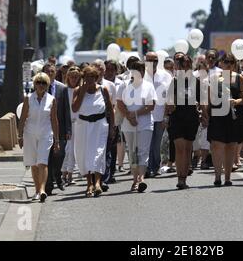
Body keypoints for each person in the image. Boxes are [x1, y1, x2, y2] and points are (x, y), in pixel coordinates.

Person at [207, 53, 243, 186]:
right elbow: (208, 99)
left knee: (231, 146)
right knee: (216, 145)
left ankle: (228, 178)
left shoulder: (239, 78)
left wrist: (236, 101)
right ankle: (218, 176)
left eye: (231, 62)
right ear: (221, 64)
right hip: (218, 116)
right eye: (226, 62)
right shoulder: (214, 79)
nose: (229, 64)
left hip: (234, 116)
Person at [73, 66, 114, 197]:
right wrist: (82, 92)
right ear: (83, 78)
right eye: (87, 77)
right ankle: (89, 183)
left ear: (97, 78)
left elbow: (110, 110)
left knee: (99, 153)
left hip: (100, 125)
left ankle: (97, 183)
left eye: (92, 77)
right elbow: (74, 108)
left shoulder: (103, 90)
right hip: (83, 125)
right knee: (84, 155)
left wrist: (112, 127)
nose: (90, 79)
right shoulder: (78, 90)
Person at [18, 72, 60, 202]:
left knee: (42, 162)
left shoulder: (51, 99)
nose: (41, 85)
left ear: (47, 85)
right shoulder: (28, 98)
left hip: (46, 134)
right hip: (30, 133)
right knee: (34, 164)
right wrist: (20, 136)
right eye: (38, 82)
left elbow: (54, 120)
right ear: (34, 84)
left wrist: (57, 140)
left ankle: (42, 190)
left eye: (44, 83)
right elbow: (23, 117)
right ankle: (37, 190)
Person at [117, 61, 157, 192]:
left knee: (143, 152)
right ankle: (134, 179)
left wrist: (135, 114)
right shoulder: (124, 85)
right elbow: (120, 103)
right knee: (133, 152)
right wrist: (129, 117)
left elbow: (151, 105)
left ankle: (141, 179)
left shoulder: (148, 86)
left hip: (145, 123)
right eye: (137, 70)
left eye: (142, 70)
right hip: (128, 125)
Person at [165, 54, 202, 190]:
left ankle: (184, 178)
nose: (185, 66)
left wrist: (204, 114)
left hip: (191, 118)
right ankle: (180, 178)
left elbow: (202, 101)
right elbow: (168, 102)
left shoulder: (196, 81)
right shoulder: (174, 81)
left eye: (187, 64)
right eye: (182, 64)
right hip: (177, 118)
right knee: (180, 149)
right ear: (178, 66)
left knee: (187, 150)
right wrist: (169, 108)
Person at [42, 63, 72, 196]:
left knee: (59, 155)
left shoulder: (62, 88)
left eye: (52, 71)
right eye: (47, 71)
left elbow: (66, 110)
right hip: (44, 127)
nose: (50, 73)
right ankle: (48, 184)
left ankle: (57, 175)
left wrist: (68, 129)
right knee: (47, 156)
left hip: (60, 128)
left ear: (56, 73)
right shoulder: (39, 87)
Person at [145, 52, 173, 178]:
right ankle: (146, 167)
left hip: (160, 115)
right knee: (146, 144)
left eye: (155, 60)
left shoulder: (166, 76)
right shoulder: (141, 75)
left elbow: (170, 96)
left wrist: (166, 116)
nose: (153, 62)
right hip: (144, 115)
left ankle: (154, 167)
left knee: (156, 144)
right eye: (150, 60)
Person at [61, 66, 81, 186]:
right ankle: (64, 173)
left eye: (76, 77)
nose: (74, 79)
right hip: (68, 124)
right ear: (68, 77)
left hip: (79, 123)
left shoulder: (81, 90)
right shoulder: (64, 90)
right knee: (67, 150)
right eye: (71, 76)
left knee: (75, 150)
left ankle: (70, 174)